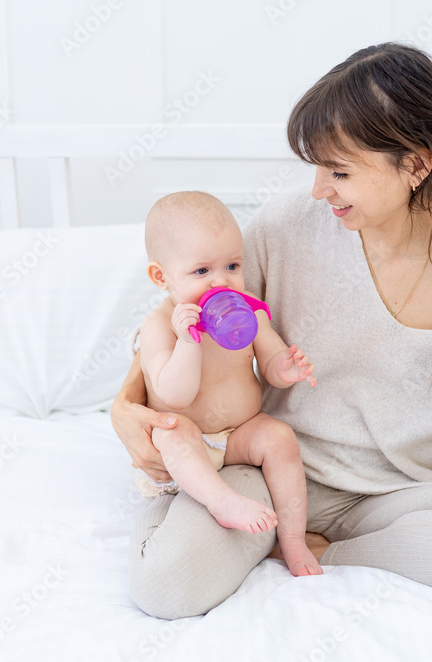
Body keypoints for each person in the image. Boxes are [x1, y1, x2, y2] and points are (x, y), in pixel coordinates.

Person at [112, 42, 432, 620]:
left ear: (415, 165)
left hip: (406, 497)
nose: (318, 189)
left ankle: (324, 551)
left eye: (339, 171)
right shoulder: (285, 227)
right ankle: (268, 530)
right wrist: (124, 406)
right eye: (316, 167)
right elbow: (192, 313)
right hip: (271, 470)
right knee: (166, 585)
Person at [135, 191, 322, 577]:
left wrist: (284, 367)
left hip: (237, 435)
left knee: (280, 437)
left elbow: (269, 359)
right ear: (161, 277)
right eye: (202, 271)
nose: (221, 281)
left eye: (232, 266)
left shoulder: (247, 309)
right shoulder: (159, 326)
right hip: (188, 443)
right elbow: (174, 396)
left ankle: (293, 539)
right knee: (171, 433)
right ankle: (222, 502)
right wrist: (188, 343)